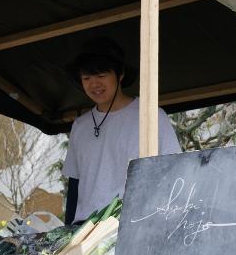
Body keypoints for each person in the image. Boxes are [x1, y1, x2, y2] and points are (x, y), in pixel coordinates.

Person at [63, 37, 181, 224]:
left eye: (101, 76)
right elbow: (74, 184)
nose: (94, 84)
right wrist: (67, 231)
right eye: (86, 78)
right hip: (84, 228)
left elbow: (173, 172)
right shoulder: (79, 126)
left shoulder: (150, 115)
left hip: (133, 223)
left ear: (120, 74)